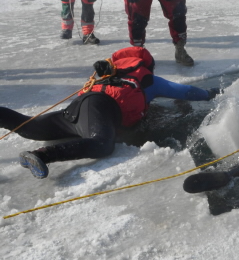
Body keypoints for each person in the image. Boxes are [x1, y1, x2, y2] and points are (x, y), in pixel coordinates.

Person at [0, 47, 220, 179]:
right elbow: (185, 91)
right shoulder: (147, 79)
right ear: (147, 65)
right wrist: (209, 93)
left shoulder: (109, 75)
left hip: (78, 109)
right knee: (102, 144)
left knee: (29, 127)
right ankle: (41, 156)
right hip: (101, 107)